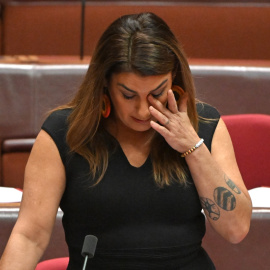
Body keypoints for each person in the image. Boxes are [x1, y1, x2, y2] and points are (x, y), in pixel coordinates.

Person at [0, 12, 252, 270]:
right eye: (128, 95)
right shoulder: (66, 133)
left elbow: (236, 229)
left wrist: (192, 146)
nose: (143, 110)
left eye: (156, 93)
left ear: (173, 77)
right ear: (105, 83)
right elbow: (29, 237)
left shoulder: (205, 126)